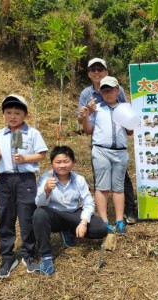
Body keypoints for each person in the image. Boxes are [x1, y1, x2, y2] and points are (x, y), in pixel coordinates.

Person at [0, 94, 48, 279]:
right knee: (5, 217)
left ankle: (28, 254)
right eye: (9, 112)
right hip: (4, 181)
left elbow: (42, 155)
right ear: (4, 115)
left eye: (17, 113)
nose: (13, 116)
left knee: (26, 217)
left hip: (25, 180)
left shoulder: (32, 133)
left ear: (26, 115)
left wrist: (25, 159)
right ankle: (7, 257)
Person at [77, 58, 137, 224]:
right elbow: (86, 127)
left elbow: (129, 128)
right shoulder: (88, 97)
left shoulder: (121, 100)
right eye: (93, 70)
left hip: (119, 149)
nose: (97, 72)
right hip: (100, 148)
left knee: (121, 183)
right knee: (101, 184)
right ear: (89, 74)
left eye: (100, 69)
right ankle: (103, 220)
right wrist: (86, 114)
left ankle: (126, 212)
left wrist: (129, 116)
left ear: (117, 90)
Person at [33, 146, 108, 276]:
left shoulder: (79, 179)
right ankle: (46, 256)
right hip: (54, 215)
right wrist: (46, 189)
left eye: (66, 161)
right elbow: (39, 204)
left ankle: (69, 230)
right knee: (39, 214)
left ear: (73, 163)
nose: (62, 165)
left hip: (73, 214)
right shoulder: (46, 178)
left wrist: (83, 222)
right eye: (58, 162)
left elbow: (88, 203)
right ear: (52, 164)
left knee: (100, 228)